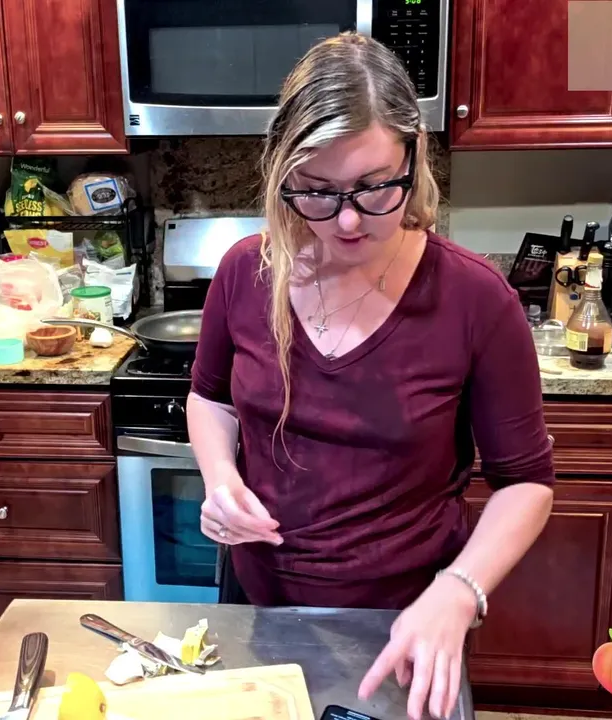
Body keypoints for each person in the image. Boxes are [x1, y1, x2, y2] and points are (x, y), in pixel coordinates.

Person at [186, 33, 555, 720]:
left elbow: (526, 483)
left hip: (406, 625)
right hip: (259, 608)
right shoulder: (245, 271)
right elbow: (209, 399)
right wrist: (220, 480)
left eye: (375, 186)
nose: (349, 219)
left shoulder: (475, 299)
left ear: (413, 157)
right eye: (317, 192)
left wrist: (460, 591)